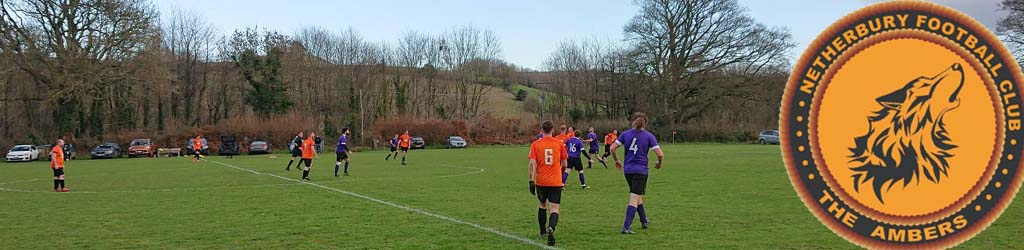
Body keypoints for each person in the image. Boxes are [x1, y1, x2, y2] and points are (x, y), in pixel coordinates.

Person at [610, 113, 664, 234]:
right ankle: (626, 226)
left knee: (637, 195)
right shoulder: (649, 136)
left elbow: (612, 148)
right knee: (634, 198)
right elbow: (660, 154)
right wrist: (659, 163)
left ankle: (644, 220)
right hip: (641, 171)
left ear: (633, 121)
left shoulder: (625, 134)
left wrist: (617, 160)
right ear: (645, 123)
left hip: (628, 170)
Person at [528, 120, 568, 246]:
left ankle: (542, 232)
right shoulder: (559, 144)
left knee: (542, 204)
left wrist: (531, 181)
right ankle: (551, 227)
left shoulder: (535, 144)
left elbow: (532, 164)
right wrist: (559, 172)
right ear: (553, 130)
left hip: (541, 181)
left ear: (542, 130)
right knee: (555, 209)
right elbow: (565, 164)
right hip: (556, 181)